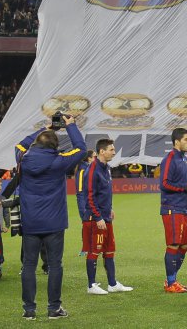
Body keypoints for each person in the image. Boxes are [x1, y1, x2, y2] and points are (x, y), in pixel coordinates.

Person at [17, 116, 87, 319]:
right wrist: (70, 125)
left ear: (37, 142)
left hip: (30, 221)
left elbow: (20, 145)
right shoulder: (60, 161)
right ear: (55, 145)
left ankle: (29, 310)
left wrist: (45, 128)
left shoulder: (23, 158)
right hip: (54, 222)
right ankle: (54, 308)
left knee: (29, 265)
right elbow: (81, 148)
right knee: (55, 265)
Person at [83, 138, 133, 295]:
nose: (114, 152)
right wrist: (97, 217)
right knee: (94, 251)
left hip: (106, 217)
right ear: (102, 151)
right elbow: (89, 196)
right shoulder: (92, 170)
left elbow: (104, 192)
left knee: (109, 250)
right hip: (95, 219)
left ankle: (112, 284)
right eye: (111, 149)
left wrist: (109, 208)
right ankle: (91, 286)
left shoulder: (107, 168)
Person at [160, 128, 187, 294]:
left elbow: (182, 181)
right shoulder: (169, 158)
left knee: (186, 243)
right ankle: (171, 282)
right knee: (174, 244)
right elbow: (164, 184)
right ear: (177, 141)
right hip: (172, 208)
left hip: (183, 208)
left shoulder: (184, 159)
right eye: (186, 139)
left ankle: (172, 279)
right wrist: (185, 187)